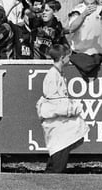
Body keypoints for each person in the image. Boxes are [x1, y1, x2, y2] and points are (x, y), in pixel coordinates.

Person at [37, 43, 89, 173]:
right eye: (68, 57)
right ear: (62, 58)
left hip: (60, 122)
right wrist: (73, 108)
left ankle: (49, 175)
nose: (69, 59)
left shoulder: (59, 73)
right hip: (55, 122)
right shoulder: (52, 76)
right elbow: (54, 104)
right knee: (59, 155)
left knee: (62, 148)